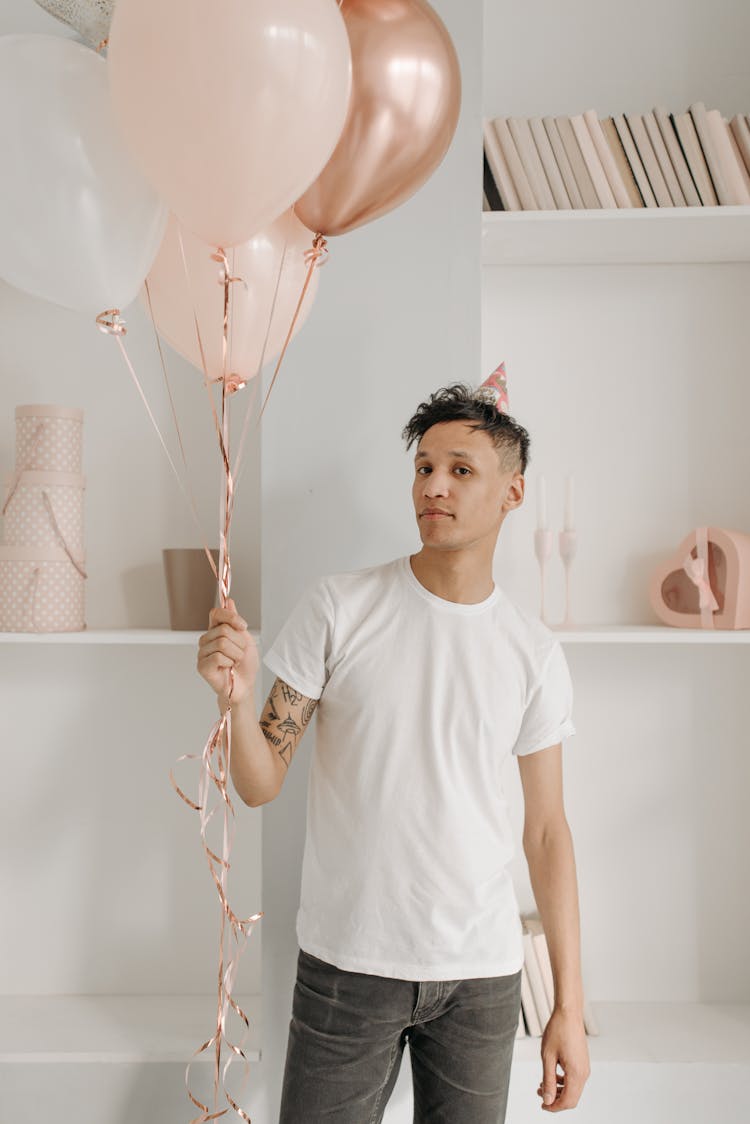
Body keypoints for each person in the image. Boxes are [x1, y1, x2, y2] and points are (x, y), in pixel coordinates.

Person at [196, 382, 591, 1122]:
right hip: (350, 968)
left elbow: (547, 832)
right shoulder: (338, 608)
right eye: (424, 467)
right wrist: (238, 698)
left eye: (461, 470)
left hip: (482, 980)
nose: (433, 485)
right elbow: (258, 784)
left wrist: (568, 1006)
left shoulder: (534, 653)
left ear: (514, 492)